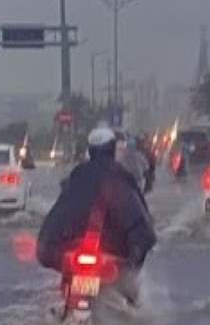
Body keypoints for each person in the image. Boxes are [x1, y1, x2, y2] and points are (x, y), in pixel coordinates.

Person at [37, 124, 156, 307]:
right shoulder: (120, 177)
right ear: (112, 149)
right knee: (131, 297)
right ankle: (131, 306)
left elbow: (57, 216)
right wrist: (134, 257)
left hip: (83, 250)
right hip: (109, 252)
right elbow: (140, 226)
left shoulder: (78, 177)